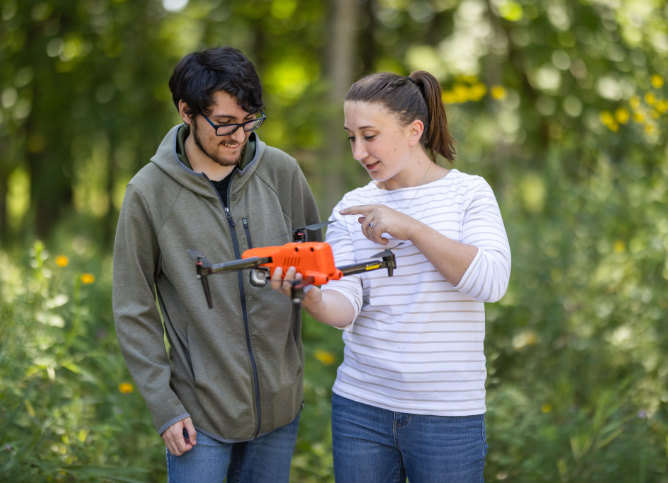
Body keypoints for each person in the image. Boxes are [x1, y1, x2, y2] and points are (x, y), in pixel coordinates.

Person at [272, 71, 511, 482]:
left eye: (370, 135)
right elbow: (347, 306)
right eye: (352, 138)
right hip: (362, 408)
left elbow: (491, 282)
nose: (358, 152)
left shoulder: (468, 193)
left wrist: (412, 228)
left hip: (447, 415)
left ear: (414, 130)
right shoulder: (353, 206)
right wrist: (310, 296)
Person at [112, 46, 322, 482]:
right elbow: (134, 309)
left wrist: (301, 287)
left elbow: (315, 262)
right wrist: (165, 408)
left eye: (249, 121)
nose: (238, 135)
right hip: (198, 418)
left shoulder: (282, 172)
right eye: (224, 123)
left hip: (280, 412)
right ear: (186, 111)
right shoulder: (148, 193)